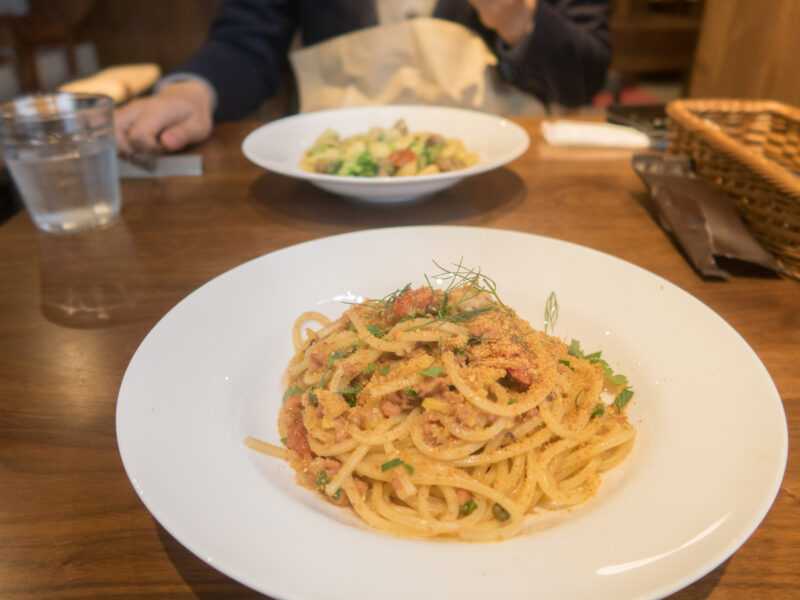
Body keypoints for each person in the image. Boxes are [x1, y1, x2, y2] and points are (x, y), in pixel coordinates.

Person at [115, 0, 611, 155]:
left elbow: (585, 75)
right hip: (329, 174)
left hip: (504, 170)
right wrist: (194, 90)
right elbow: (249, 38)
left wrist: (519, 20)